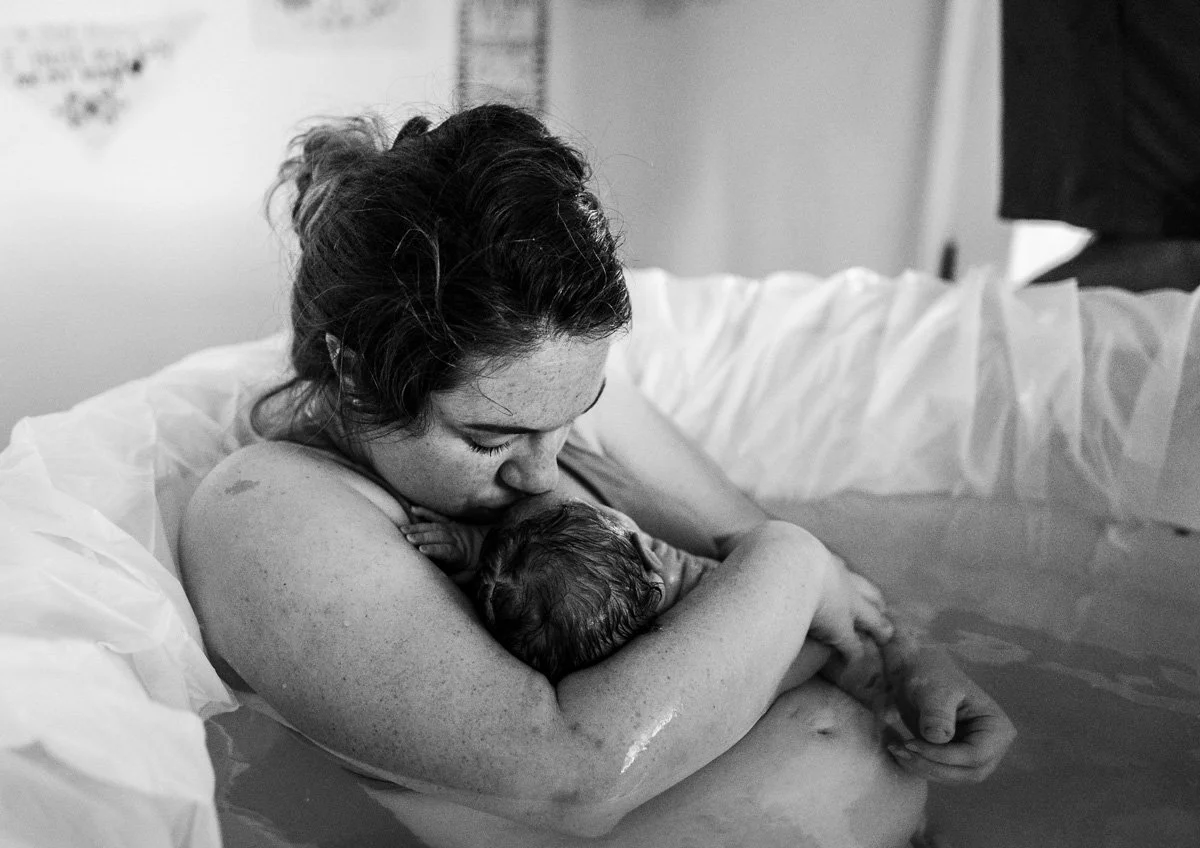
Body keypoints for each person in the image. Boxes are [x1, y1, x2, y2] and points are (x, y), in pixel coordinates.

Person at [179, 103, 1015, 843]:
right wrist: (794, 561)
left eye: (575, 414)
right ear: (357, 373)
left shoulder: (543, 400)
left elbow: (774, 559)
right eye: (489, 439)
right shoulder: (270, 510)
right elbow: (575, 776)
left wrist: (904, 663)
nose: (543, 475)